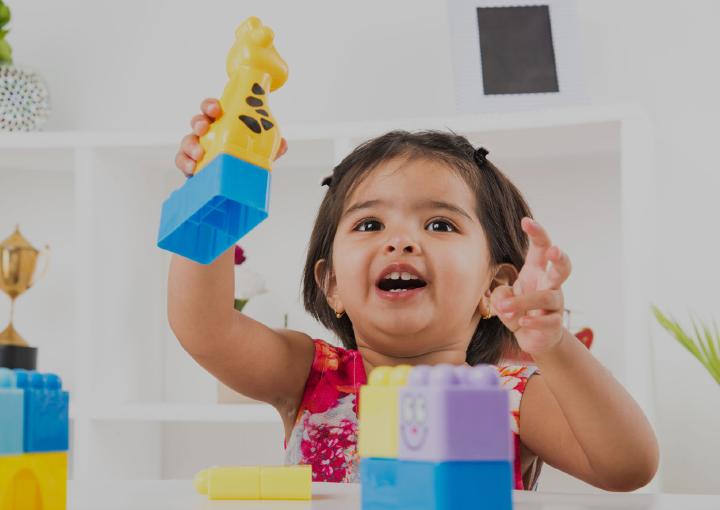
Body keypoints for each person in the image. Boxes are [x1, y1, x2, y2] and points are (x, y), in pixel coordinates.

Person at [168, 98, 659, 491]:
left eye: (440, 223)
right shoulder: (309, 376)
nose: (400, 240)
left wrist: (553, 347)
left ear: (494, 288)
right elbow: (206, 329)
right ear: (332, 284)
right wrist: (218, 193)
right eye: (370, 223)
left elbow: (627, 468)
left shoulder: (509, 397)